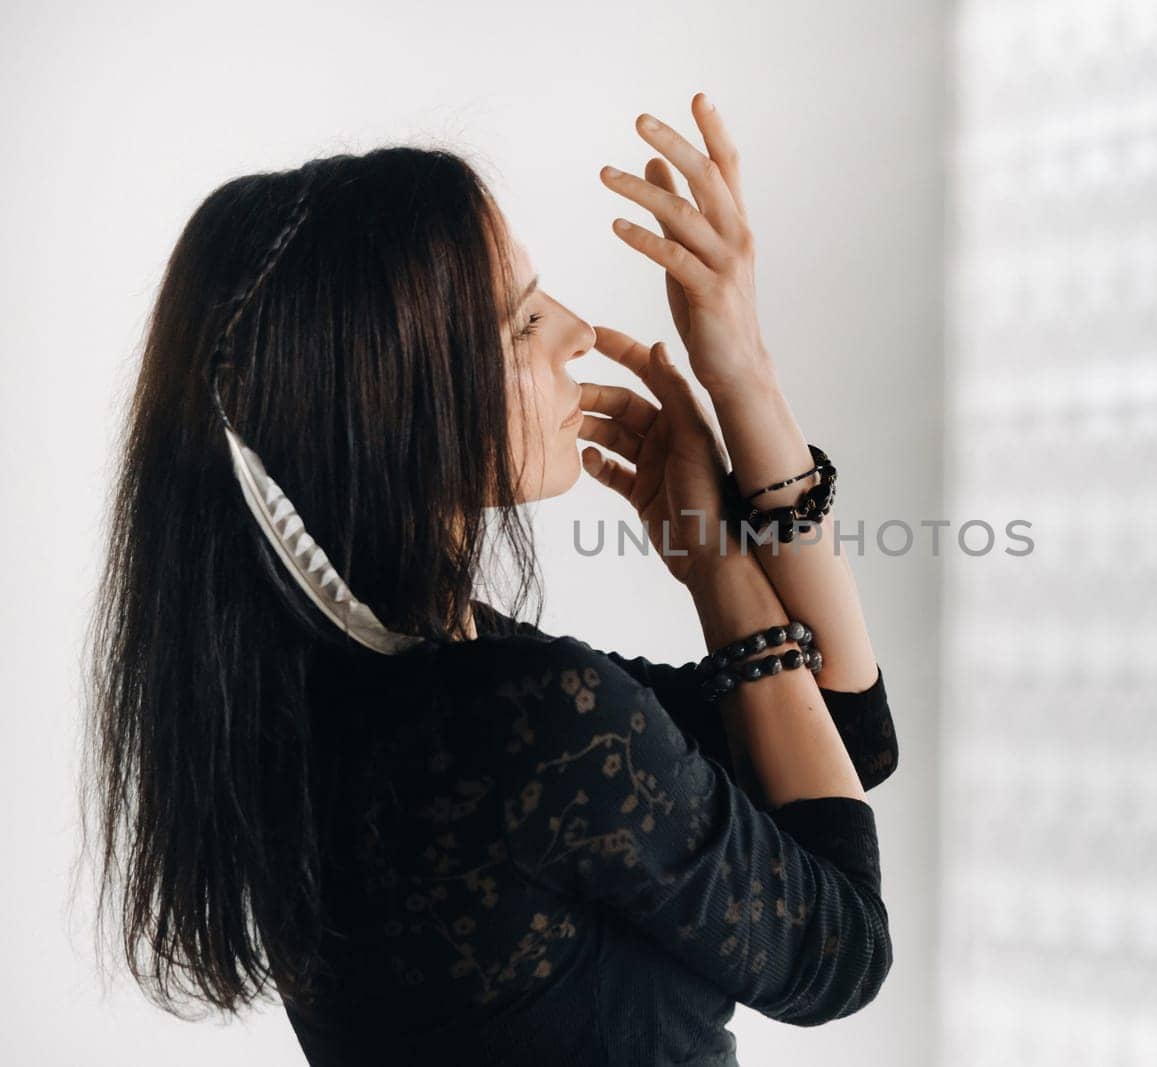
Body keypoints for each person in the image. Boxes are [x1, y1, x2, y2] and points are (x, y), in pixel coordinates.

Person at [80, 93, 898, 1066]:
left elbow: (835, 734)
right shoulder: (525, 724)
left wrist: (745, 379)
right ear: (391, 406)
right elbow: (840, 947)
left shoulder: (374, 692)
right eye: (520, 324)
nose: (578, 331)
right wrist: (718, 559)